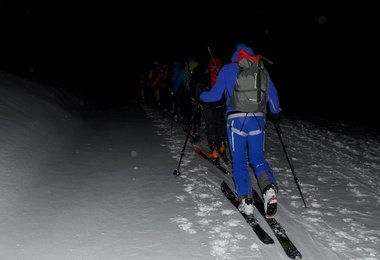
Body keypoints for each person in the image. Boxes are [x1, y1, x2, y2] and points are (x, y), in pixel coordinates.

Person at [199, 44, 281, 217]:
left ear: (236, 56)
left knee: (239, 160)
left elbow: (214, 95)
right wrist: (274, 113)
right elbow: (274, 105)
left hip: (236, 122)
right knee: (258, 159)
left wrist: (201, 96)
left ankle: (246, 199)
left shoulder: (228, 69)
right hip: (258, 121)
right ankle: (268, 188)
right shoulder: (261, 71)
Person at [200, 57, 228, 163]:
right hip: (221, 102)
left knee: (210, 124)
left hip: (208, 101)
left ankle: (214, 150)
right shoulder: (222, 70)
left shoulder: (206, 70)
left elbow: (200, 86)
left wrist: (201, 97)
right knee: (220, 124)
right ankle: (222, 147)